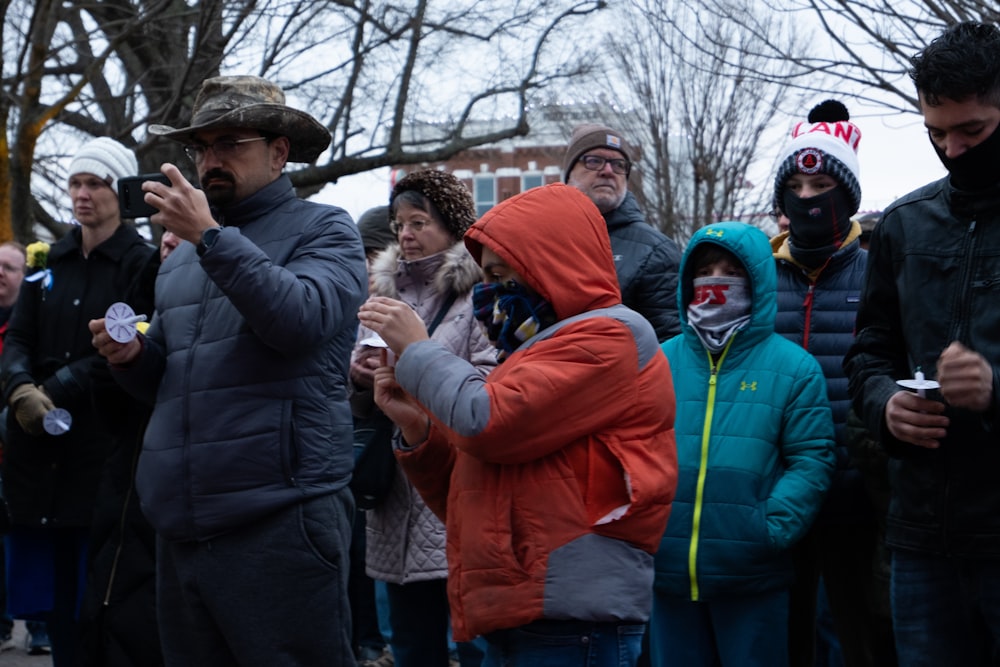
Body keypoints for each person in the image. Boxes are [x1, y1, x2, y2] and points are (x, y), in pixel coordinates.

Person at [88, 75, 368, 666]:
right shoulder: (185, 253)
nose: (211, 161)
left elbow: (301, 322)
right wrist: (133, 358)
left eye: (229, 143)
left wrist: (213, 239)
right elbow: (169, 380)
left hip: (280, 520)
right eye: (201, 148)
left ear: (279, 151)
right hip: (182, 527)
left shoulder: (326, 229)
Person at [357, 182, 677, 667]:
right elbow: (471, 496)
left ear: (551, 263)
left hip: (570, 617)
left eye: (506, 274)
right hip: (520, 606)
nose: (495, 293)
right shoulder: (532, 350)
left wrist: (421, 350)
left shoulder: (611, 336)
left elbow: (487, 423)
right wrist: (419, 429)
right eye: (488, 276)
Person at [843, 21, 1000, 666]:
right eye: (936, 133)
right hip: (920, 535)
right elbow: (868, 350)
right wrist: (884, 403)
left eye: (973, 131)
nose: (953, 150)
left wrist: (995, 387)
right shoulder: (905, 223)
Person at [0, 137, 159, 667]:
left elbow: (130, 343)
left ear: (120, 191)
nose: (82, 194)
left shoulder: (141, 263)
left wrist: (57, 389)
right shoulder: (51, 261)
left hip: (102, 447)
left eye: (96, 184)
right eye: (75, 183)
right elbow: (17, 336)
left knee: (99, 596)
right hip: (39, 454)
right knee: (52, 597)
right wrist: (20, 387)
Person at [651, 221, 836, 667]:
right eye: (705, 269)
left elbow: (812, 459)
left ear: (756, 280)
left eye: (730, 270)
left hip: (752, 576)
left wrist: (767, 528)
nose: (715, 279)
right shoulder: (660, 361)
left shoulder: (794, 368)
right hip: (667, 572)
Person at [769, 100, 896, 667]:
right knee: (787, 635)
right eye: (796, 185)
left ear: (847, 196)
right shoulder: (758, 280)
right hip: (776, 492)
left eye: (821, 183)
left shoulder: (877, 274)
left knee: (848, 634)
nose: (808, 196)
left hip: (855, 494)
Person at [352, 170, 496, 667]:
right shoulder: (385, 299)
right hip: (394, 496)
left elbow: (489, 382)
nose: (406, 235)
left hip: (455, 489)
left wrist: (416, 359)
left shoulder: (479, 297)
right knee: (413, 646)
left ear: (454, 229)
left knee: (475, 645)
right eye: (399, 224)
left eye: (419, 222)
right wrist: (359, 377)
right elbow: (360, 402)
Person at [563, 123, 682, 342]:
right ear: (569, 174)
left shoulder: (657, 251)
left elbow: (669, 344)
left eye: (618, 164)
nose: (608, 171)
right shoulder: (545, 242)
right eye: (594, 160)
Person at [0, 241, 25, 653]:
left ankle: (35, 620)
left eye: (9, 267)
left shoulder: (32, 325)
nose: (0, 273)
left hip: (23, 452)